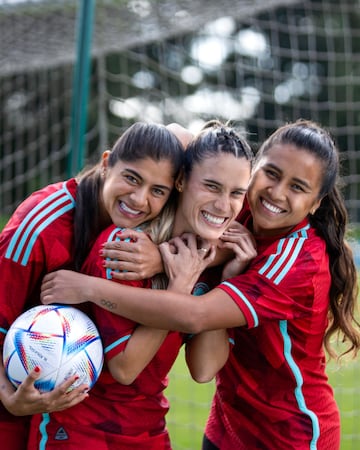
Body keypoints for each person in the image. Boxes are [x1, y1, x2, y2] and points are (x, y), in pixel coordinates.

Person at [41, 119, 360, 450]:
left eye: (298, 187)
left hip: (285, 433)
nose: (276, 193)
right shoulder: (231, 212)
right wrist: (166, 258)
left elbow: (196, 323)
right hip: (226, 423)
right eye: (271, 173)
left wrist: (92, 287)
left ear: (317, 201)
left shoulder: (296, 261)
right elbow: (184, 138)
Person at [30, 120, 255, 449]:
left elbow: (204, 368)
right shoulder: (125, 247)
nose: (224, 206)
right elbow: (125, 367)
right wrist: (178, 288)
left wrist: (228, 278)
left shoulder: (205, 255)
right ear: (180, 182)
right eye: (211, 186)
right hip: (80, 430)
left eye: (236, 193)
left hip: (148, 429)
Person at [0, 121, 185, 450]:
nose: (140, 199)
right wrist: (7, 397)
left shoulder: (154, 231)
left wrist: (159, 257)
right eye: (131, 178)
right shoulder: (41, 224)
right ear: (106, 163)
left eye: (158, 190)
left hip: (70, 412)